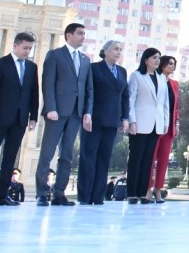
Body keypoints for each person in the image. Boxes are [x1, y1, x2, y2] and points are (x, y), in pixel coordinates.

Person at [0, 31, 39, 207]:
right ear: (15, 45)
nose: (28, 51)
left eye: (30, 48)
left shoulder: (32, 67)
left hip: (20, 119)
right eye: (25, 48)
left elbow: (34, 93)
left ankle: (2, 196)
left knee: (10, 157)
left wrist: (33, 117)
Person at [36, 22, 92, 207]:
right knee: (47, 153)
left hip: (76, 113)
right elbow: (48, 83)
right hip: (56, 112)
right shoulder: (55, 55)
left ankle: (59, 193)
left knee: (67, 155)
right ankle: (42, 194)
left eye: (84, 34)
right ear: (69, 35)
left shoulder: (85, 60)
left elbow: (88, 89)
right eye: (80, 33)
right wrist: (51, 108)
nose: (83, 37)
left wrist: (87, 112)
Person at [77, 40, 129, 205]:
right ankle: (85, 196)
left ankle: (98, 196)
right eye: (115, 49)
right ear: (105, 51)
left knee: (104, 158)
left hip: (112, 120)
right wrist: (87, 113)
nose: (118, 52)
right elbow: (88, 93)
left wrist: (125, 117)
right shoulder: (93, 68)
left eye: (120, 49)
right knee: (88, 156)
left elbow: (125, 96)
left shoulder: (122, 71)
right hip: (93, 119)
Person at [126, 47, 170, 205]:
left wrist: (165, 122)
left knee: (148, 160)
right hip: (139, 123)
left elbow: (165, 103)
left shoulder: (162, 78)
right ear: (146, 60)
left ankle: (143, 193)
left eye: (158, 57)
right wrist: (132, 121)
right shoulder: (136, 76)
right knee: (136, 158)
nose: (157, 60)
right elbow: (130, 100)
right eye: (154, 57)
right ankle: (132, 193)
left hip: (156, 124)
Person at [147, 55, 180, 204]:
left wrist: (177, 123)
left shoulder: (174, 84)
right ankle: (147, 189)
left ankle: (158, 190)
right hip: (155, 125)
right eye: (170, 63)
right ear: (162, 64)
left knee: (164, 160)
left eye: (174, 64)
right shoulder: (155, 79)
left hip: (169, 127)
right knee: (151, 158)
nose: (173, 66)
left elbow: (176, 106)